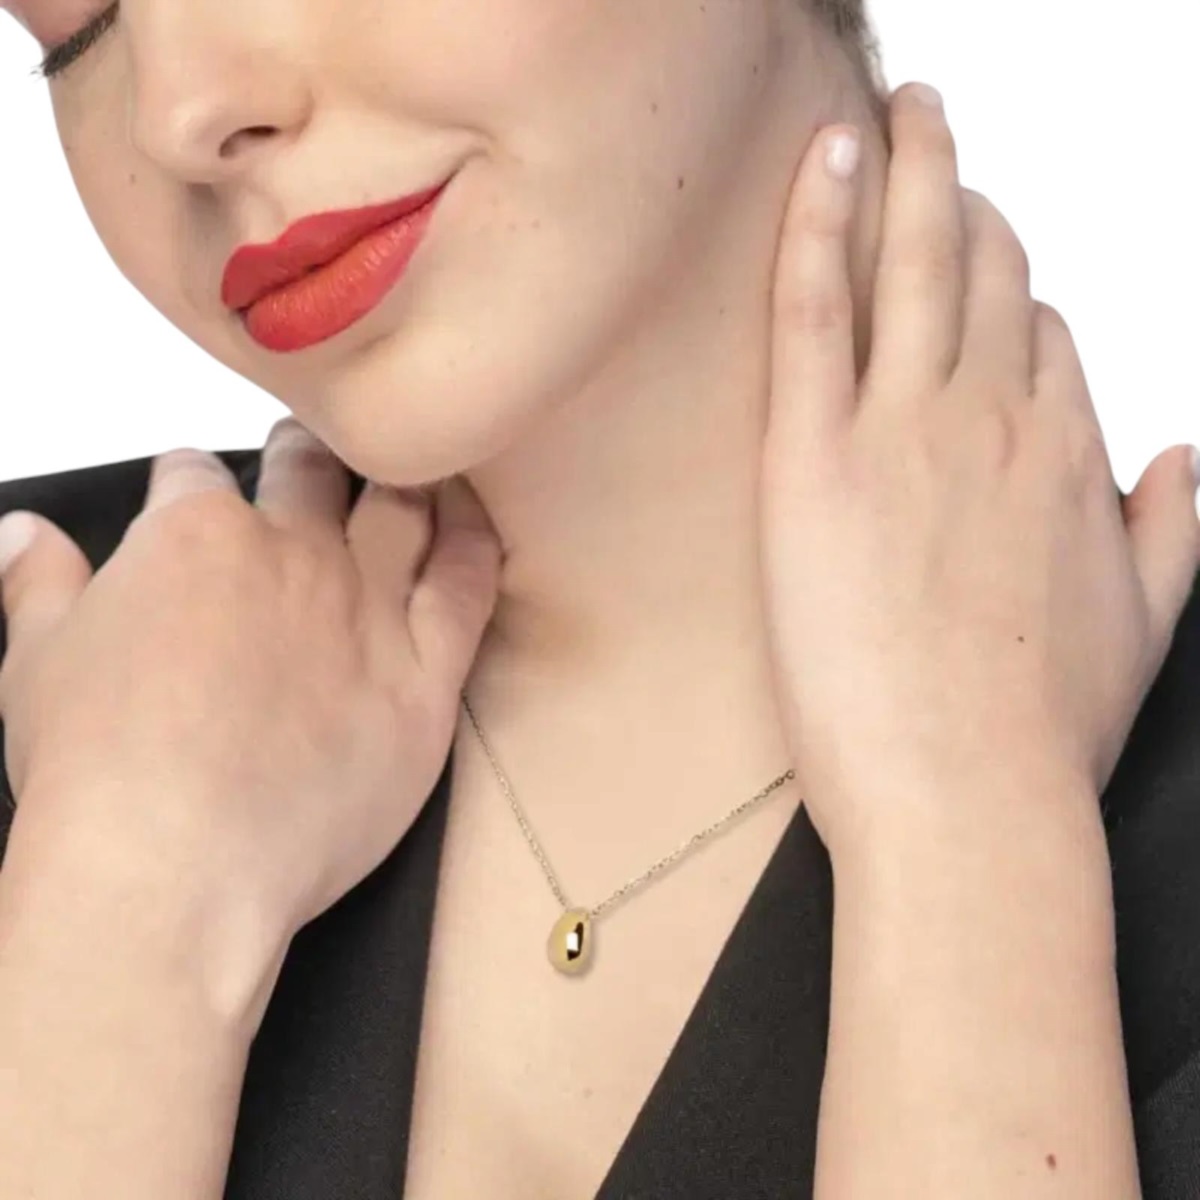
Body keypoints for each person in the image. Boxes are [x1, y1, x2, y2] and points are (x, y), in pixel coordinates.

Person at [0, 2, 1198, 1197]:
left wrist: (973, 848)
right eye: (77, 27)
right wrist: (116, 942)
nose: (180, 111)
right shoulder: (48, 680)